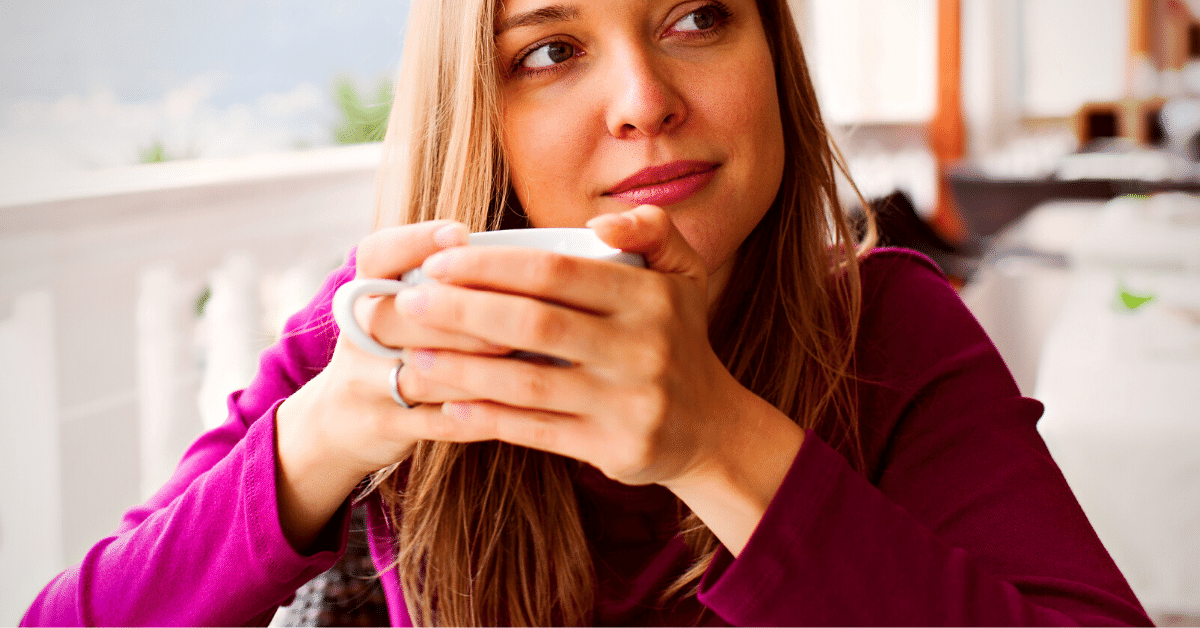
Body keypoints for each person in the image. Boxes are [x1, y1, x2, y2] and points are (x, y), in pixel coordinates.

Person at [23, 0, 1152, 625]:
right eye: (551, 50)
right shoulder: (383, 337)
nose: (646, 100)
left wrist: (717, 439)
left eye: (698, 17)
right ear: (478, 114)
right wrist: (328, 431)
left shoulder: (889, 327)